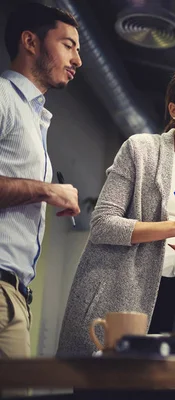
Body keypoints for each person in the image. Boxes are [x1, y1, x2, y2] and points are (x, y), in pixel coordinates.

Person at [57, 62, 175, 356]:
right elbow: (102, 225)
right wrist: (174, 228)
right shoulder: (140, 149)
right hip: (118, 291)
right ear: (174, 109)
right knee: (102, 388)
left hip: (170, 296)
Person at [0, 2, 81, 359]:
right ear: (30, 42)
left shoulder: (35, 116)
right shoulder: (3, 96)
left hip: (15, 292)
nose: (78, 60)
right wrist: (47, 190)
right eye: (68, 45)